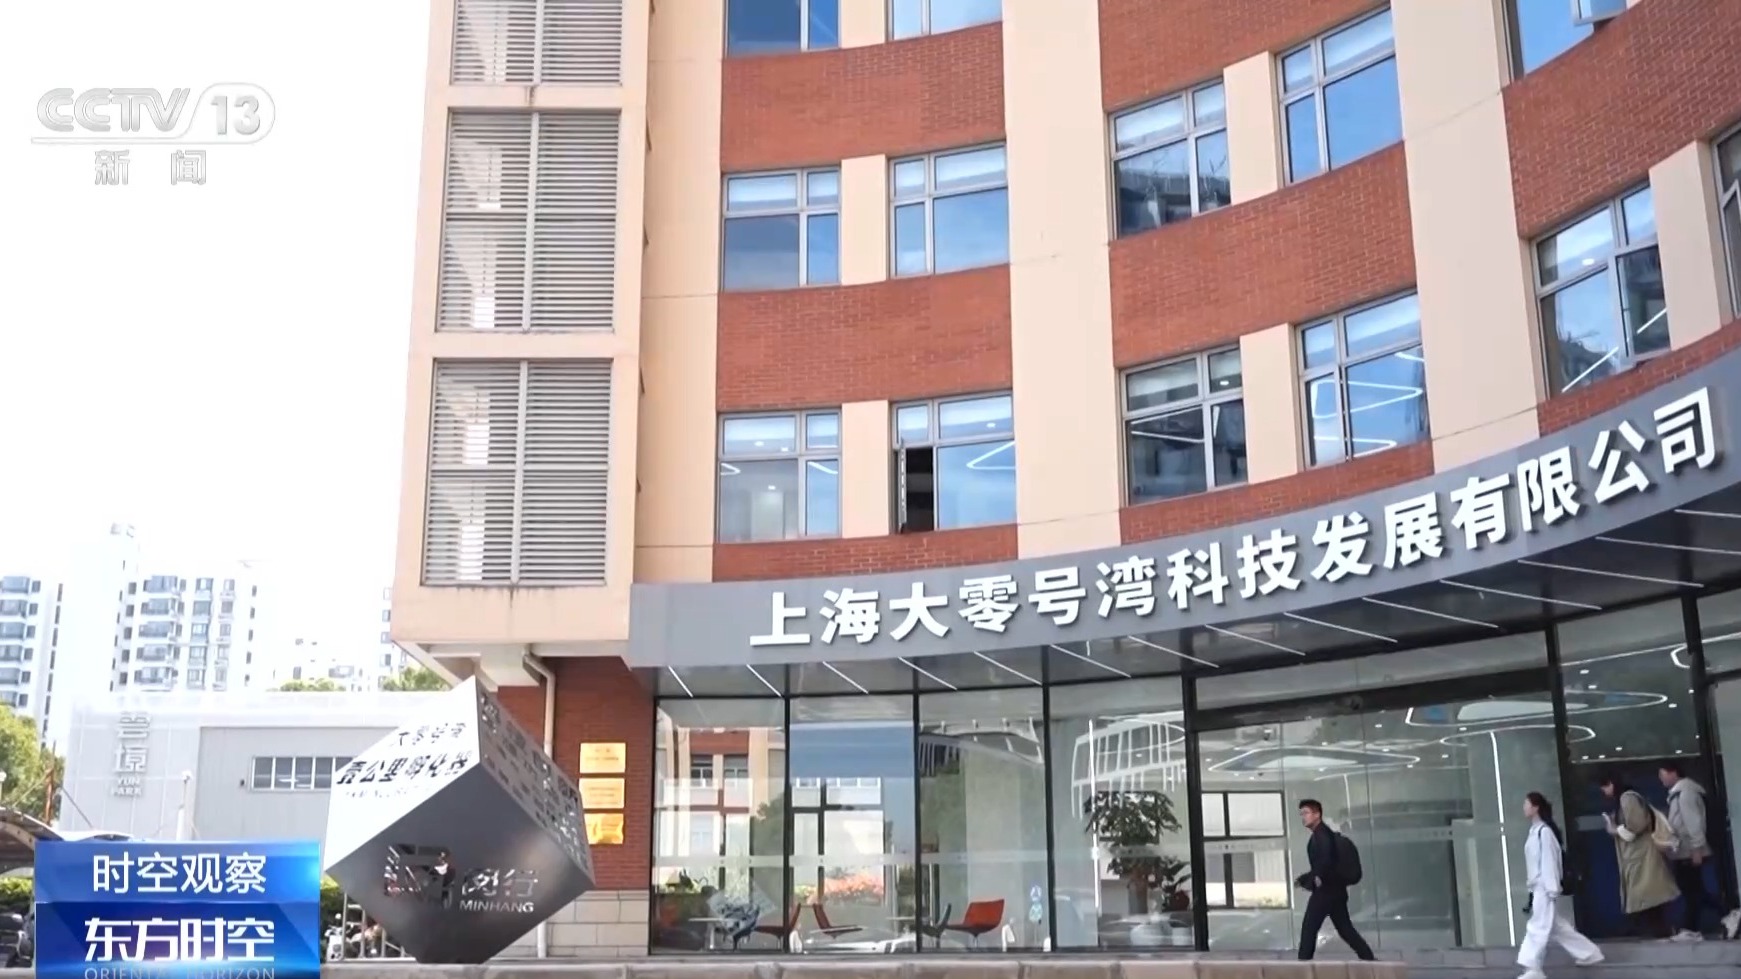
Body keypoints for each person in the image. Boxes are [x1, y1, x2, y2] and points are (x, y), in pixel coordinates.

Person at [1517, 792, 1603, 978]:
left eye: (1527, 803)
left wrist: (1551, 888)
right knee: (1556, 928)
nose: (1524, 807)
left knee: (1537, 927)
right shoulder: (1535, 832)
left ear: (1535, 807)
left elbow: (1549, 861)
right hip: (1539, 887)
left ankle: (1532, 967)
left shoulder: (1544, 832)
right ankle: (1589, 953)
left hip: (1544, 887)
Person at [1658, 761, 1741, 940]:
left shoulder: (1685, 793)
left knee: (1692, 891)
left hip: (1689, 851)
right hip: (1686, 850)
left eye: (1662, 774)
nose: (1661, 779)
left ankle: (1724, 915)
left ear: (1673, 773)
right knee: (1694, 891)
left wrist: (1697, 848)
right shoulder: (1682, 792)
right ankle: (1721, 917)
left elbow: (1693, 822)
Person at [1293, 798, 1375, 961]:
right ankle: (1368, 959)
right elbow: (1323, 863)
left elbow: (1326, 861)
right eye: (1301, 814)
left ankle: (1303, 965)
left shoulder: (1322, 835)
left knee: (1309, 928)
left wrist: (1315, 878)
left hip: (1326, 892)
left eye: (1306, 813)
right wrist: (1307, 878)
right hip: (1336, 891)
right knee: (1345, 929)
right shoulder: (1320, 835)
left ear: (1317, 814)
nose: (1303, 817)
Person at [1598, 775, 1679, 937]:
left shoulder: (1627, 798)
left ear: (1611, 783)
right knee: (1648, 898)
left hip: (1641, 855)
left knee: (1645, 897)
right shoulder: (1628, 798)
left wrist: (1614, 829)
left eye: (1605, 787)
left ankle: (1658, 930)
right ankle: (1660, 930)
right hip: (1639, 855)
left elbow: (1635, 827)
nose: (1604, 791)